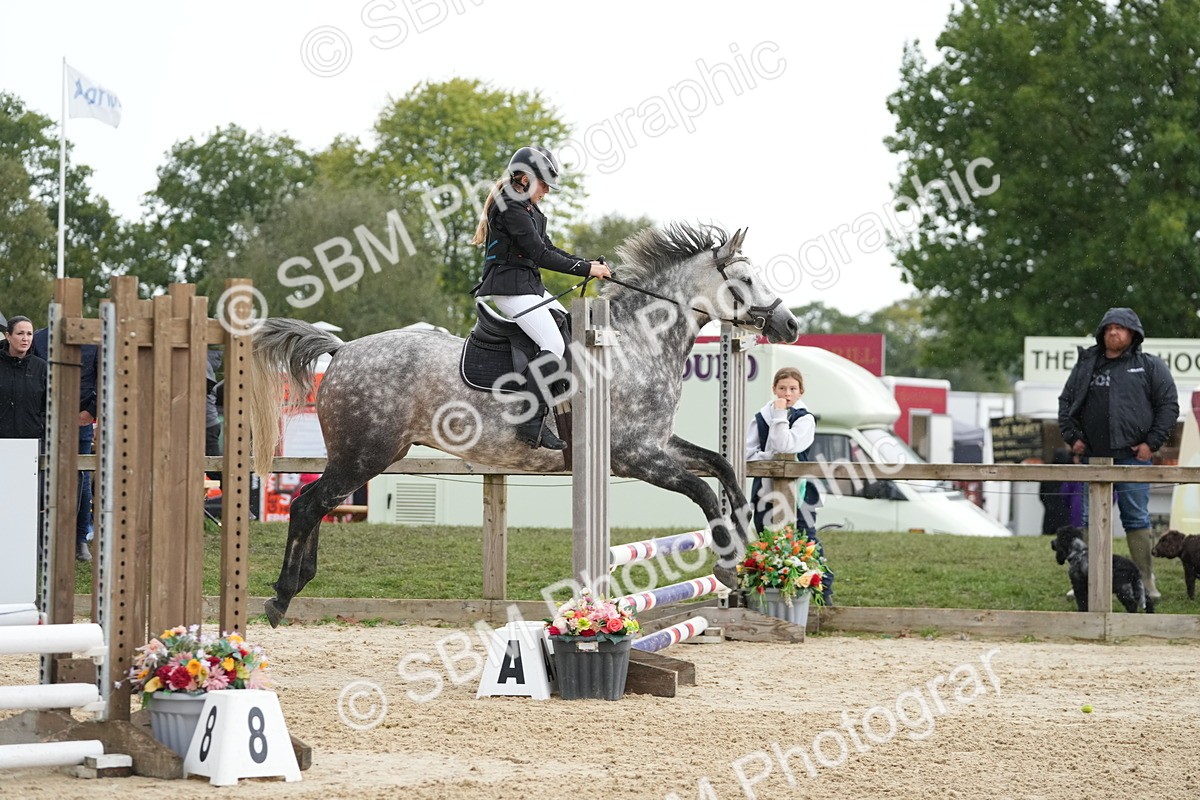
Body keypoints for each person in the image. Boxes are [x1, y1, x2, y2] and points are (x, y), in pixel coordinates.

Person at [471, 145, 611, 450]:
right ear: (525, 178)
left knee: (569, 327)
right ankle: (529, 423)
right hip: (509, 289)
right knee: (554, 344)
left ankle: (556, 395)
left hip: (528, 286)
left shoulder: (527, 208)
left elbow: (550, 249)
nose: (546, 191)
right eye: (544, 184)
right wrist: (587, 267)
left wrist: (589, 265)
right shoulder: (509, 206)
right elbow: (540, 254)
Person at [1058, 307, 1178, 601]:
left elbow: (1168, 406)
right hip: (1094, 458)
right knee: (1089, 518)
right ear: (1102, 333)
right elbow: (1066, 402)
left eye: (1120, 328)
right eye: (1109, 327)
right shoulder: (1087, 364)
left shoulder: (1150, 366)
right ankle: (1087, 579)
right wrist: (1073, 438)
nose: (1114, 332)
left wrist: (1151, 443)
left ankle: (1146, 582)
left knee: (1136, 517)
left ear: (1133, 334)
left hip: (1133, 457)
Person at [745, 366, 834, 605]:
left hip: (801, 490)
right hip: (764, 488)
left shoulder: (805, 419)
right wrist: (768, 457)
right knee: (766, 537)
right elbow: (748, 453)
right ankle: (767, 593)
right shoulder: (761, 417)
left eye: (792, 389)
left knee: (806, 539)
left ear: (800, 391)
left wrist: (780, 416)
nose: (787, 393)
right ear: (774, 389)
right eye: (782, 388)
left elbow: (784, 445)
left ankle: (822, 593)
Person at [32, 327, 98, 561]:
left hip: (80, 419)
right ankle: (39, 539)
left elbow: (105, 378)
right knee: (40, 476)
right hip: (44, 419)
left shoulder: (94, 338)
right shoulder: (38, 338)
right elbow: (32, 374)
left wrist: (90, 412)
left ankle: (79, 540)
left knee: (80, 476)